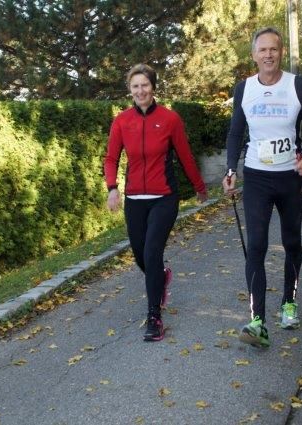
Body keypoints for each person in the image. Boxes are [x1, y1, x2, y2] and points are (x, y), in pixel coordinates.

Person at [222, 27, 302, 348]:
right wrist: (230, 169)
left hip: (290, 177)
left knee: (291, 241)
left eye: (273, 50)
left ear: (281, 53)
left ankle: (289, 304)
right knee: (257, 246)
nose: (268, 55)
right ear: (253, 55)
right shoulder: (244, 89)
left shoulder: (298, 86)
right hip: (256, 177)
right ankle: (257, 322)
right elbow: (235, 134)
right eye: (262, 50)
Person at [104, 63, 208, 342]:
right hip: (134, 199)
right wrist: (112, 188)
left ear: (153, 87)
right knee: (140, 255)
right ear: (130, 90)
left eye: (145, 85)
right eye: (135, 86)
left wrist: (199, 187)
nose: (140, 90)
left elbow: (185, 156)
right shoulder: (122, 121)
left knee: (151, 252)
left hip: (164, 197)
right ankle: (160, 276)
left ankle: (154, 317)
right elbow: (111, 158)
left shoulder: (170, 119)